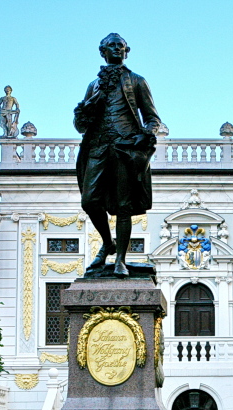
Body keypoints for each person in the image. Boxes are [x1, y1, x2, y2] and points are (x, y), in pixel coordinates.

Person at [74, 33, 162, 278]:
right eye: (111, 46)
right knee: (89, 201)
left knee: (124, 206)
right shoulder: (94, 85)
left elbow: (152, 118)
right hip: (98, 146)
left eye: (120, 46)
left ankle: (120, 259)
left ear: (127, 51)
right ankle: (108, 242)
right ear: (102, 51)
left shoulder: (137, 80)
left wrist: (146, 134)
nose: (116, 49)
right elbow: (81, 125)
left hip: (125, 148)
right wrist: (85, 109)